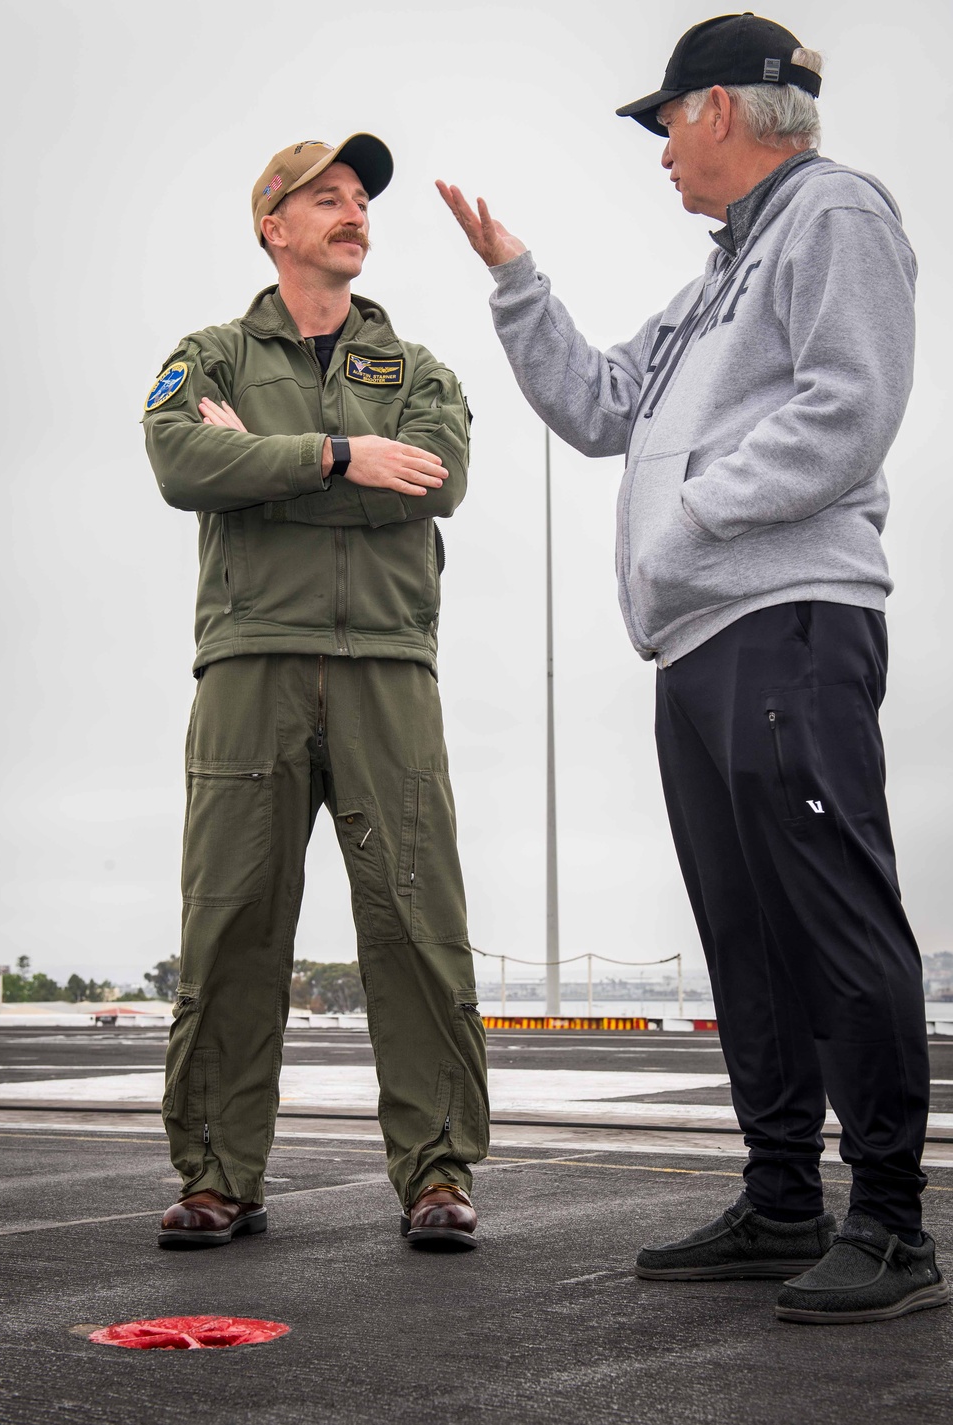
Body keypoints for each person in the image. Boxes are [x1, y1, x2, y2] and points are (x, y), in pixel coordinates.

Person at [438, 13, 947, 1322]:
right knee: (748, 936)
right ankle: (783, 1201)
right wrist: (517, 279)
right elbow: (603, 404)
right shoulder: (719, 273)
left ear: (721, 109)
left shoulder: (833, 215)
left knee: (834, 914)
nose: (661, 148)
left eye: (666, 120)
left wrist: (703, 508)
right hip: (700, 641)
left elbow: (853, 403)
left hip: (790, 615)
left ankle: (891, 1223)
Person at [144, 133, 488, 1254]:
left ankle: (436, 1176)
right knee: (233, 922)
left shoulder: (421, 370)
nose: (351, 213)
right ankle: (216, 1177)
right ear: (272, 227)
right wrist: (344, 457)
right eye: (325, 199)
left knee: (417, 921)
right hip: (251, 665)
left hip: (389, 666)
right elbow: (180, 465)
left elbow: (433, 483)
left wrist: (271, 465)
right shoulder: (210, 355)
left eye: (359, 200)